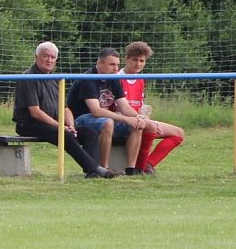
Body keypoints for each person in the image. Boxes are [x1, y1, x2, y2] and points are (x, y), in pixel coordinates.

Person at [13, 42, 116, 179]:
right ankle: (95, 169)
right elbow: (35, 112)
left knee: (89, 133)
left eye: (52, 57)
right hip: (29, 124)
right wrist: (61, 127)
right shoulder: (28, 77)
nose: (49, 60)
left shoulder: (55, 79)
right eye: (45, 56)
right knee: (65, 135)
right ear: (36, 57)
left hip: (53, 123)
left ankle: (93, 173)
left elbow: (65, 108)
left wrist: (71, 126)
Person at [66, 47, 146, 175]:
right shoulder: (88, 79)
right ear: (99, 64)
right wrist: (125, 118)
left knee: (136, 124)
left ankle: (131, 169)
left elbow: (124, 107)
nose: (116, 68)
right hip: (80, 119)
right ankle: (104, 169)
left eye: (117, 65)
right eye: (112, 64)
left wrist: (139, 118)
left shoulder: (113, 79)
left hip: (101, 118)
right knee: (108, 122)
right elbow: (96, 111)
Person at [120, 42, 185, 174]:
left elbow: (140, 105)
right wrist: (145, 121)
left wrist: (146, 116)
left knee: (178, 134)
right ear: (127, 59)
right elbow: (120, 108)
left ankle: (149, 164)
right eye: (135, 60)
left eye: (142, 61)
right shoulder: (117, 78)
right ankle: (140, 168)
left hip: (140, 118)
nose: (138, 64)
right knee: (150, 126)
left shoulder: (140, 79)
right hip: (123, 120)